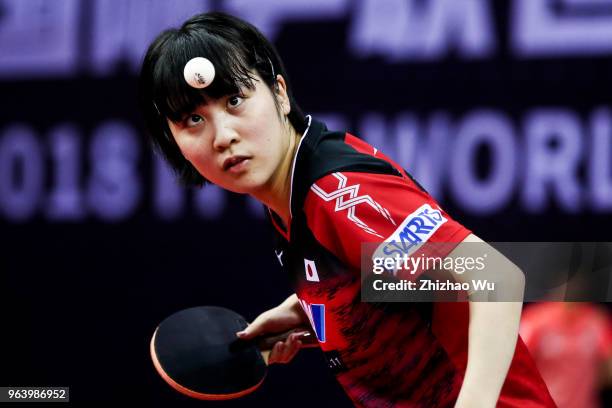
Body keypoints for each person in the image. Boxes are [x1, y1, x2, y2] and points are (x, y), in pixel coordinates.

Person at [138, 11, 556, 407]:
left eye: (234, 101)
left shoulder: (334, 193)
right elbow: (408, 275)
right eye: (193, 119)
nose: (222, 135)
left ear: (279, 94)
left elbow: (495, 277)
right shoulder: (294, 195)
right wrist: (316, 307)